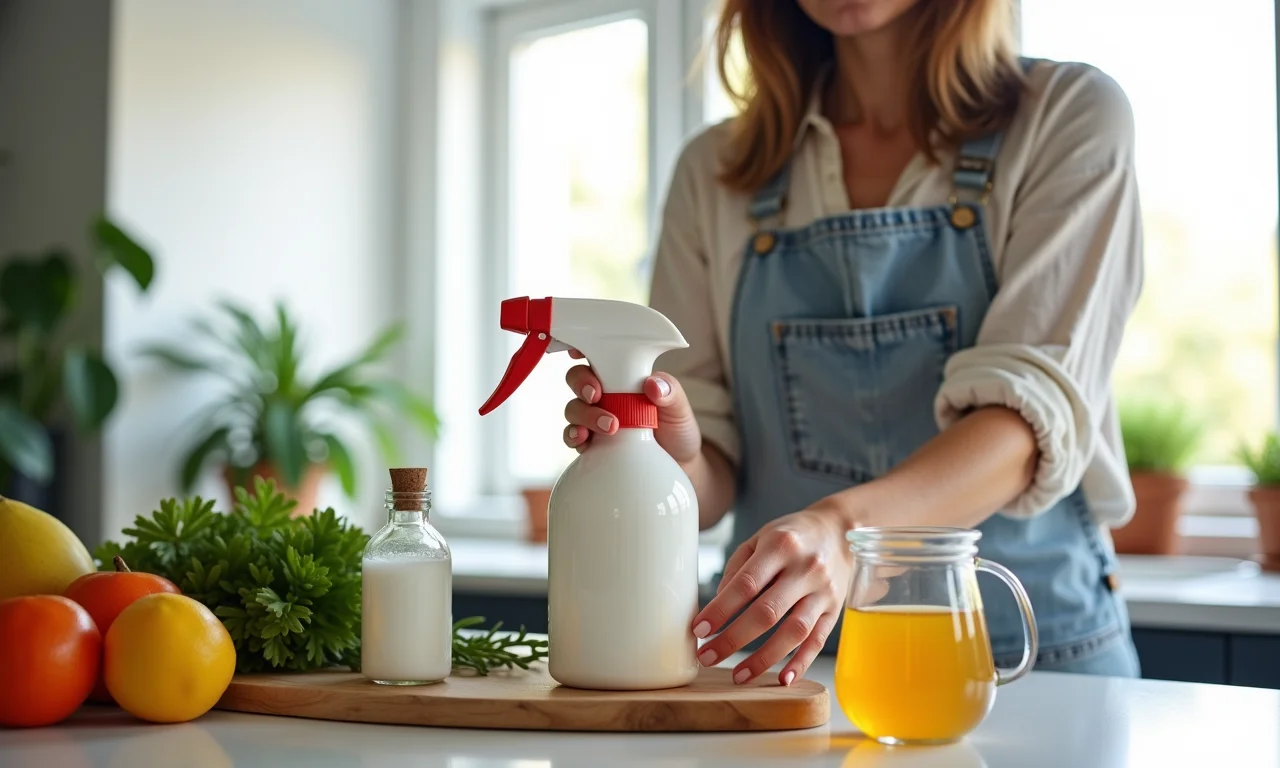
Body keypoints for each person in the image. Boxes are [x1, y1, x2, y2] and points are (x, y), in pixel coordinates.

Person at [561, 0, 1143, 686]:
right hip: (779, 671)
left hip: (1028, 663)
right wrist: (670, 456)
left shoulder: (1068, 116)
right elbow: (711, 476)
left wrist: (842, 532)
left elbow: (1025, 423)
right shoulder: (715, 169)